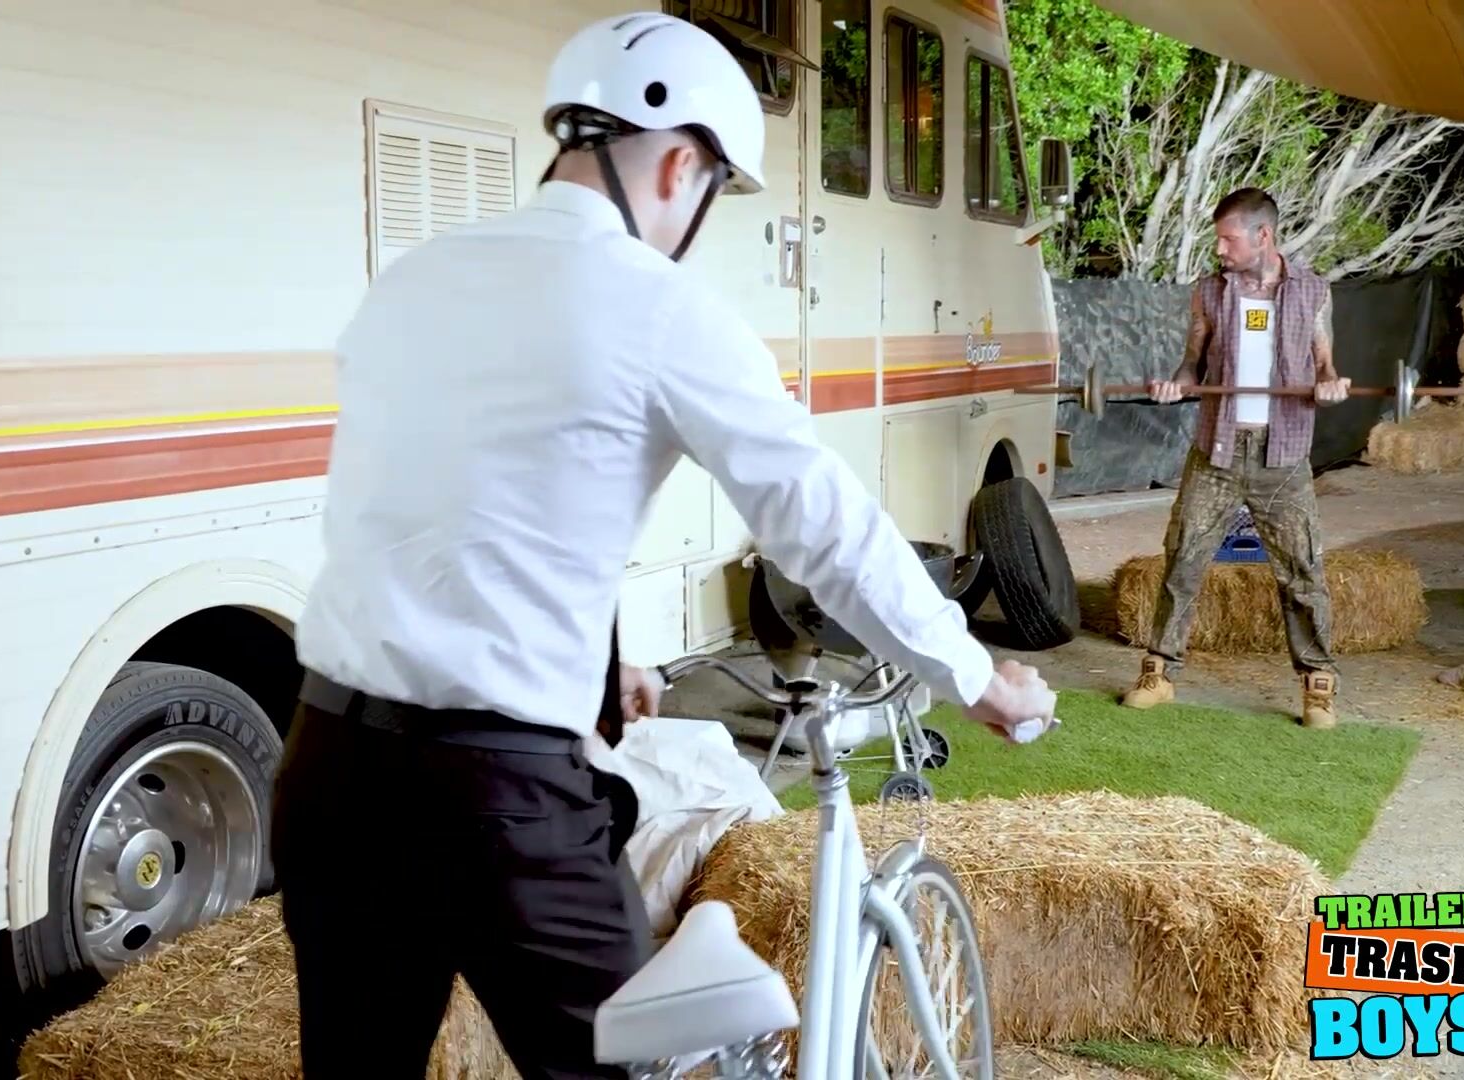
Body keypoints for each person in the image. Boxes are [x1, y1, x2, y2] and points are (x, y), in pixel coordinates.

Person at [268, 12, 1058, 1078]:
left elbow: (452, 513)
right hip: (502, 799)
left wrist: (604, 666)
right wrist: (974, 675)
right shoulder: (660, 309)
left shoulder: (415, 277)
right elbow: (820, 521)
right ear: (682, 163)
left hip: (330, 767)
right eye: (714, 188)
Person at [1121, 186, 1350, 727]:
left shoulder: (1313, 292)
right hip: (1217, 452)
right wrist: (1176, 386)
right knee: (1183, 559)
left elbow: (1324, 366)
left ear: (1263, 235)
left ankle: (1317, 684)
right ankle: (1159, 673)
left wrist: (1330, 385)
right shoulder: (1209, 292)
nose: (1220, 249)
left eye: (1229, 239)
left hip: (1283, 455)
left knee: (1302, 572)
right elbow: (1191, 364)